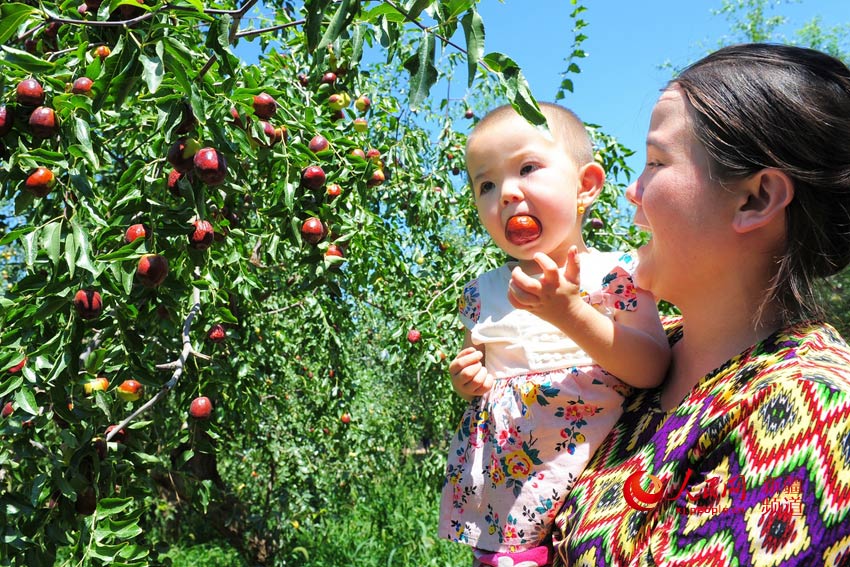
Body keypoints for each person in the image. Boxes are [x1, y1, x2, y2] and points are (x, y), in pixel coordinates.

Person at [453, 43, 850, 566]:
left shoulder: (810, 414)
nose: (631, 191)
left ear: (754, 199)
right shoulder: (643, 349)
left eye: (657, 162)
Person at [439, 102, 671, 567]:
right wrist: (465, 377)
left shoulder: (613, 274)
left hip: (599, 478)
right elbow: (476, 367)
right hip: (511, 491)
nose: (505, 194)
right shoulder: (484, 292)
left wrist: (568, 311)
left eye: (527, 168)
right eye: (485, 185)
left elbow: (653, 366)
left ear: (585, 186)